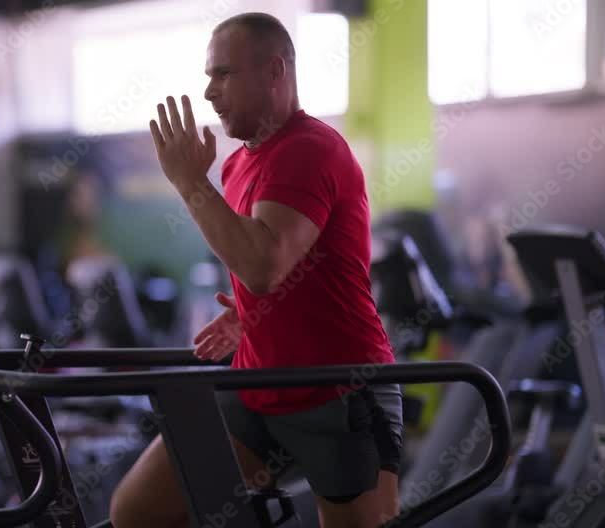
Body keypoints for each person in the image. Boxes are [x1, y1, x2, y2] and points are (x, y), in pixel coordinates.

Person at [109, 12, 403, 528]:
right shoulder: (237, 163)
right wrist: (252, 315)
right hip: (258, 385)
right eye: (208, 76)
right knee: (136, 513)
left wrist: (189, 183)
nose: (209, 92)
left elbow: (263, 266)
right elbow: (274, 271)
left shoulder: (310, 149)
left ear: (274, 72)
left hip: (339, 390)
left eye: (223, 74)